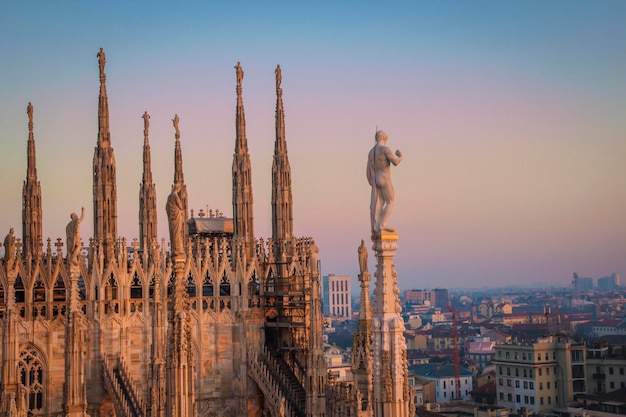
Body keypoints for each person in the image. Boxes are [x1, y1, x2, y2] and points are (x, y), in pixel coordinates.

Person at [367, 130, 402, 233]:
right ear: (385, 138)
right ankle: (382, 224)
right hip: (384, 176)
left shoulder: (370, 152)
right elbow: (395, 162)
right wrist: (400, 156)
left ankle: (377, 224)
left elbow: (368, 170)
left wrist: (372, 182)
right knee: (390, 201)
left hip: (375, 178)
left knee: (379, 202)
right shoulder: (385, 149)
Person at [166, 183, 186, 258]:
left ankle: (175, 248)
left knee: (174, 233)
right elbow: (180, 206)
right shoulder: (175, 195)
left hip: (172, 218)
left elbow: (166, 208)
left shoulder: (169, 197)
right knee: (177, 233)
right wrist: (181, 211)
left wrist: (171, 213)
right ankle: (178, 249)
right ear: (178, 189)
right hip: (177, 217)